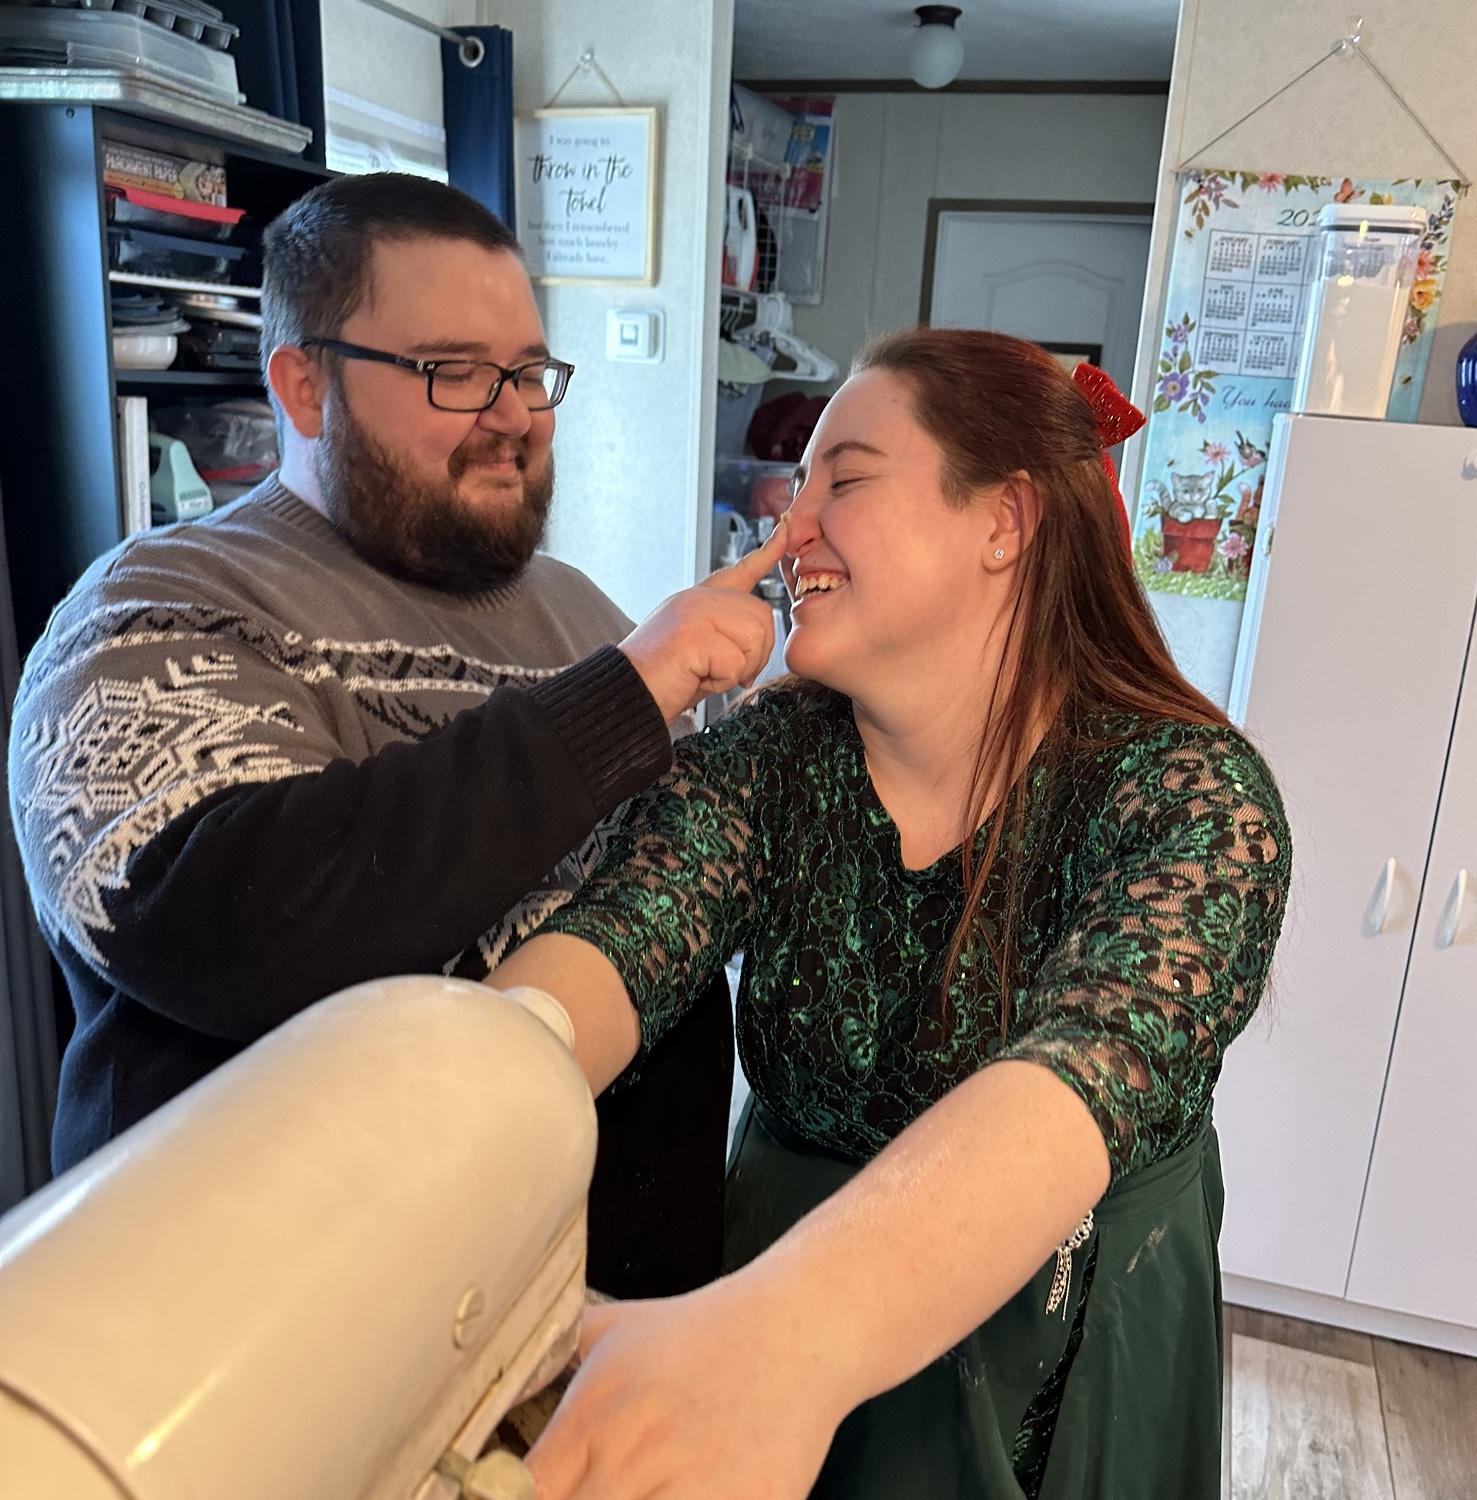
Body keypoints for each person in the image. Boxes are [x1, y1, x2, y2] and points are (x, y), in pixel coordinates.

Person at [483, 328, 1293, 1498]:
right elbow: (609, 953)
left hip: (1059, 1341)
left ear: (1004, 523)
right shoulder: (769, 759)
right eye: (798, 481)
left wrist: (774, 1346)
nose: (789, 521)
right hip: (778, 1293)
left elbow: (1079, 1081)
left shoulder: (1192, 802)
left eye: (844, 479)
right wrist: (445, 1110)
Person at [7, 172, 786, 1297]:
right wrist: (631, 691)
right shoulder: (151, 612)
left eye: (527, 372)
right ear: (306, 386)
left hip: (596, 1346)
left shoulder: (584, 617)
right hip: (271, 1351)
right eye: (455, 372)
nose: (513, 413)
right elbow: (229, 918)